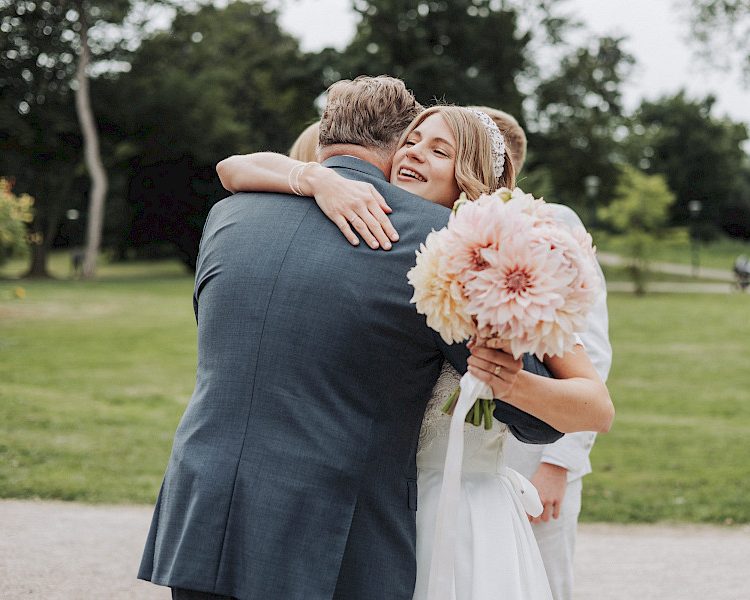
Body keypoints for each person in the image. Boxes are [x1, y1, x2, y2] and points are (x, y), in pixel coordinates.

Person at [141, 77, 609, 600]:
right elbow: (535, 424)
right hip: (335, 520)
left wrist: (507, 376)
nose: (415, 155)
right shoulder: (429, 242)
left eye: (439, 149)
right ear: (391, 147)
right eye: (412, 141)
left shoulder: (229, 212)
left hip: (205, 496)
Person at [472, 106, 613, 600]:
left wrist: (558, 463)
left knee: (545, 582)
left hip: (540, 454)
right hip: (473, 455)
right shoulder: (456, 229)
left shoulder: (554, 227)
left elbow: (589, 346)